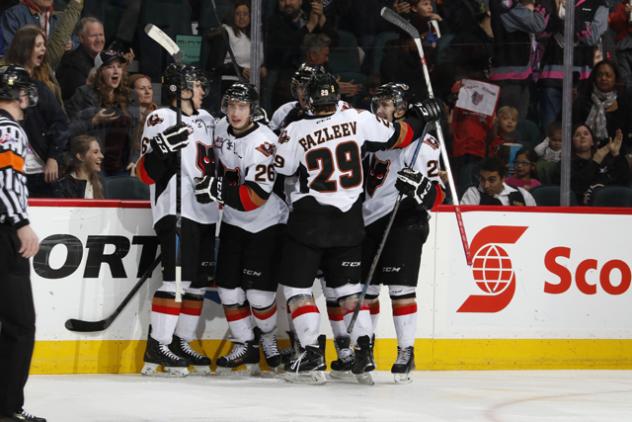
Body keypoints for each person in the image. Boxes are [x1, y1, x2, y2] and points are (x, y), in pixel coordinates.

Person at [274, 72, 441, 384]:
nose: (382, 107)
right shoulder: (359, 118)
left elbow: (282, 167)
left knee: (298, 289)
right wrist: (420, 116)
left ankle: (311, 351)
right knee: (352, 291)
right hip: (351, 220)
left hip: (311, 218)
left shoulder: (296, 128)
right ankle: (363, 349)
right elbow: (398, 135)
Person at [194, 82, 288, 375]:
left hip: (266, 224)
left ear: (253, 110)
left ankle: (268, 338)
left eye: (242, 107)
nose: (235, 113)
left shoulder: (264, 142)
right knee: (227, 289)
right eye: (232, 106)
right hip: (233, 221)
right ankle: (245, 342)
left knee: (259, 296)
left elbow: (254, 198)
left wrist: (216, 188)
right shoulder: (220, 128)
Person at [134, 63, 219, 376]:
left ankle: (180, 342)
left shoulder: (209, 120)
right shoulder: (161, 118)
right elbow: (145, 173)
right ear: (181, 89)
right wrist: (160, 149)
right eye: (196, 85)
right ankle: (159, 344)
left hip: (208, 213)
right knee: (177, 280)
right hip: (176, 209)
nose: (201, 91)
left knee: (197, 283)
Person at [362, 82, 444, 383]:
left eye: (386, 105)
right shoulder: (372, 136)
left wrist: (420, 188)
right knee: (366, 290)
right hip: (368, 220)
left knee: (399, 289)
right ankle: (364, 349)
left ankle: (406, 351)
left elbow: (439, 195)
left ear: (401, 109)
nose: (380, 110)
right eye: (378, 104)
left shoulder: (424, 144)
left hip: (404, 220)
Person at [0, 64, 45, 422]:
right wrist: (21, 223)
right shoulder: (9, 130)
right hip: (3, 234)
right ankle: (7, 406)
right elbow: (7, 178)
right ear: (18, 95)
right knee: (20, 324)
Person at [4, 25, 69, 198]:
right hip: (9, 170)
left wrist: (53, 157)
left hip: (39, 174)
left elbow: (60, 122)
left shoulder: (41, 88)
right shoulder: (4, 86)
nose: (44, 49)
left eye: (44, 45)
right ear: (25, 48)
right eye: (38, 45)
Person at [66, 49, 140, 177]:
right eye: (110, 67)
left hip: (123, 166)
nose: (116, 71)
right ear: (100, 71)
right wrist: (93, 121)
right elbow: (69, 130)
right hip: (94, 166)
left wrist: (135, 158)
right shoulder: (83, 94)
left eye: (119, 67)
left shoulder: (130, 96)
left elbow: (137, 131)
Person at [57, 17, 105, 101]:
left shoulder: (103, 59)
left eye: (101, 35)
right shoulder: (72, 64)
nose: (99, 40)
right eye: (93, 35)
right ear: (81, 38)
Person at [461, 157, 537, 205]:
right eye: (482, 179)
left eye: (492, 180)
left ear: (503, 178)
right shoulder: (473, 194)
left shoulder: (522, 194)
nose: (486, 185)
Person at [54, 135, 104, 199]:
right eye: (95, 152)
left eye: (100, 152)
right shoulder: (64, 186)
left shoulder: (100, 181)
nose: (102, 156)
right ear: (80, 157)